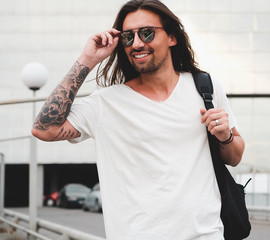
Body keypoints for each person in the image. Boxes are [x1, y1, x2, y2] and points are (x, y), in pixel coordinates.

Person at [32, 0, 245, 239]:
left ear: (172, 38)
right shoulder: (106, 103)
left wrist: (225, 136)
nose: (137, 43)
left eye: (147, 33)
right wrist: (87, 59)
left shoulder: (205, 87)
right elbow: (45, 130)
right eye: (127, 37)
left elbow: (235, 157)